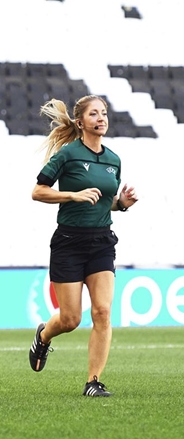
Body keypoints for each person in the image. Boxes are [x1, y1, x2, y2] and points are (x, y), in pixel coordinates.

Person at [28, 95, 138, 397]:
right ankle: (44, 335)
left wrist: (122, 204)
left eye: (104, 113)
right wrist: (72, 195)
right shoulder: (67, 155)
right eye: (94, 114)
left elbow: (105, 202)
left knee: (102, 312)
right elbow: (38, 192)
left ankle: (93, 381)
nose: (101, 118)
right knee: (70, 319)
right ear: (80, 122)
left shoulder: (113, 159)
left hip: (102, 241)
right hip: (69, 242)